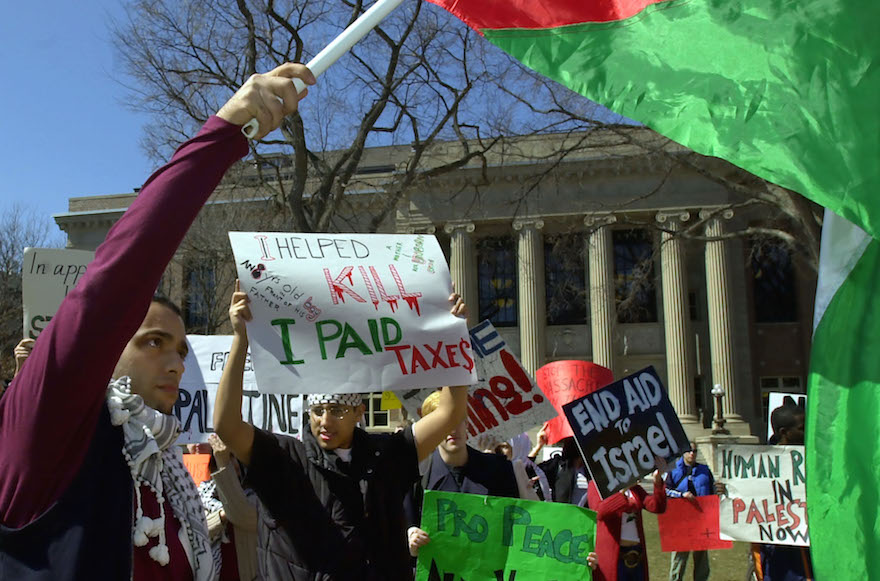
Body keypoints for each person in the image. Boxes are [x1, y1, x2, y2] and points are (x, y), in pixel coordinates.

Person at [0, 62, 316, 580]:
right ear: (107, 346)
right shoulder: (47, 426)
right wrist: (227, 131)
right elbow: (112, 281)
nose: (175, 362)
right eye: (153, 342)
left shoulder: (162, 468)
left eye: (182, 349)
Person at [213, 281, 471, 580]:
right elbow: (226, 426)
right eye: (318, 411)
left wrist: (455, 336)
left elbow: (451, 411)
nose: (325, 421)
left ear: (359, 413)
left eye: (336, 411)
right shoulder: (285, 458)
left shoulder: (387, 455)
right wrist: (240, 339)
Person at [404, 390, 520, 557]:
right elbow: (400, 531)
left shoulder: (499, 469)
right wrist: (411, 541)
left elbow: (516, 527)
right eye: (444, 423)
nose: (452, 429)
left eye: (457, 420)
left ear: (467, 423)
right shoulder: (416, 478)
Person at [753, 400, 812, 581]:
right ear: (784, 433)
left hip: (810, 542)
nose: (807, 432)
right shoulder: (759, 465)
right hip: (777, 547)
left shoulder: (813, 459)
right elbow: (747, 498)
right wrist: (728, 491)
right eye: (802, 428)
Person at [588, 469, 667, 581]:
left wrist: (658, 481)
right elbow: (599, 512)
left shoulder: (634, 489)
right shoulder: (596, 484)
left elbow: (657, 507)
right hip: (615, 557)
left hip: (636, 555)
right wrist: (622, 490)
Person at [665, 442, 715, 581]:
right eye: (689, 451)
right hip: (681, 518)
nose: (692, 454)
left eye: (694, 451)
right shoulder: (673, 470)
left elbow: (713, 491)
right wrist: (681, 495)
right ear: (683, 452)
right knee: (679, 556)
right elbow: (664, 491)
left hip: (701, 518)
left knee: (701, 556)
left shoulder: (705, 470)